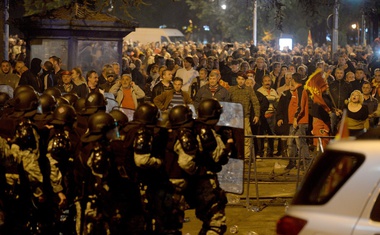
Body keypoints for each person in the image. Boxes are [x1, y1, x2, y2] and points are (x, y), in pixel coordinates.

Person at [74, 112, 130, 234]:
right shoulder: (100, 153)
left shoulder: (87, 147)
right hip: (96, 203)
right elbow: (100, 182)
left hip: (87, 199)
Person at [188, 99, 233, 235]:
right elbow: (219, 157)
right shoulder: (206, 131)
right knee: (215, 224)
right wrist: (229, 144)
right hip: (205, 181)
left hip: (190, 181)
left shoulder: (191, 128)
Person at [277, 73, 310, 170]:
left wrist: (296, 118)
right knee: (291, 143)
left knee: (300, 143)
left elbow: (300, 106)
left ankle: (306, 163)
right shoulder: (295, 91)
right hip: (293, 122)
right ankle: (292, 162)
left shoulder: (300, 90)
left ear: (294, 80)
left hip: (300, 122)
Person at [228, 72, 260, 159]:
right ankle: (235, 155)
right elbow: (227, 101)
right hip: (234, 117)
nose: (241, 81)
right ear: (236, 79)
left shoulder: (249, 90)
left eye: (242, 79)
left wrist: (257, 115)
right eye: (239, 79)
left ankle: (246, 156)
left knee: (246, 137)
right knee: (234, 137)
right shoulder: (231, 89)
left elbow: (255, 102)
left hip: (245, 116)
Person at [257, 75, 279, 157]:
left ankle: (270, 152)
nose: (267, 82)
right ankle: (261, 152)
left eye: (269, 81)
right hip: (263, 116)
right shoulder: (259, 91)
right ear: (262, 82)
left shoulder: (274, 91)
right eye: (265, 81)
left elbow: (277, 102)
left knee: (271, 134)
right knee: (261, 135)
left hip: (272, 115)